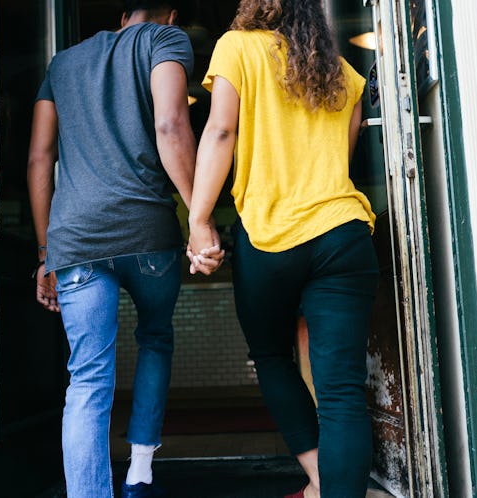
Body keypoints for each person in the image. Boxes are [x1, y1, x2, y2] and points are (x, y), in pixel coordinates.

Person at [26, 1, 221, 497]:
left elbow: (38, 158)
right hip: (147, 233)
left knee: (88, 378)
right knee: (155, 337)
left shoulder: (63, 63)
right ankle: (139, 472)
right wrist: (199, 219)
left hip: (78, 240)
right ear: (172, 15)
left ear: (121, 16)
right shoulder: (164, 40)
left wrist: (47, 252)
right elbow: (171, 126)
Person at [186, 1, 380, 497]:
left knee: (271, 356)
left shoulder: (236, 48)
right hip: (342, 231)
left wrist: (199, 218)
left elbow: (221, 131)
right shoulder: (340, 72)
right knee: (341, 394)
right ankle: (327, 489)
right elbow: (346, 150)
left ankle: (316, 477)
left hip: (270, 237)